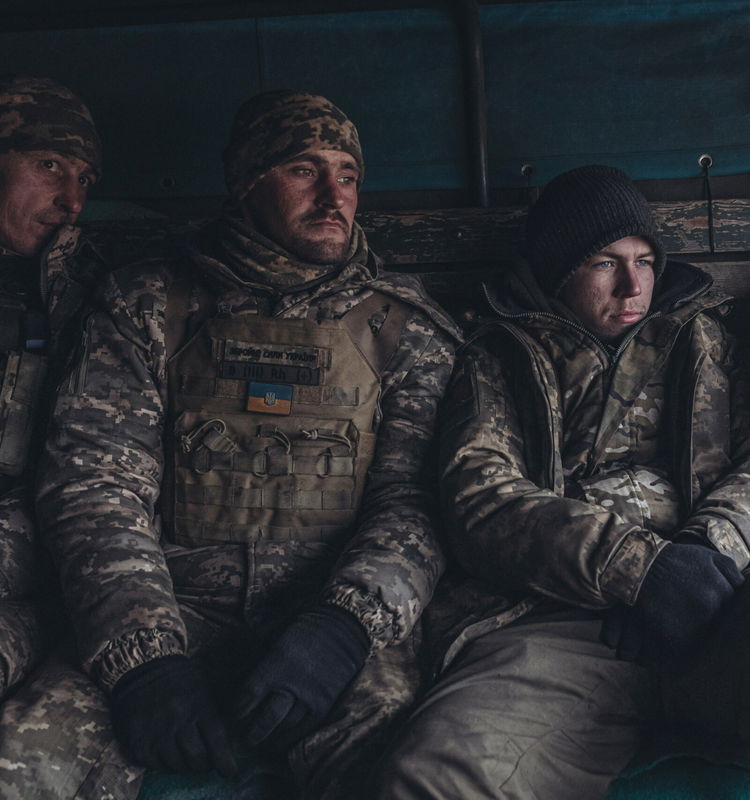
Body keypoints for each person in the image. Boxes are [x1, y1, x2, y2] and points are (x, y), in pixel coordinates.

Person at [374, 164, 750, 800]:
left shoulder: (708, 336)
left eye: (645, 260)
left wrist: (707, 550)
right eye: (603, 263)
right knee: (431, 779)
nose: (633, 284)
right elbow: (482, 502)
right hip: (559, 622)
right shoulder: (498, 354)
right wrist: (639, 570)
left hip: (722, 594)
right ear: (557, 272)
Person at [31, 89, 459, 800]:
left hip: (331, 622)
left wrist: (346, 625)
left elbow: (415, 501)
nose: (332, 195)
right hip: (172, 608)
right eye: (302, 169)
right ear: (246, 183)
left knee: (402, 777)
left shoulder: (404, 327)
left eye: (346, 173)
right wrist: (145, 659)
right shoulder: (145, 305)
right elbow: (94, 485)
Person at [0, 74, 102, 700]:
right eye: (48, 165)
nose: (72, 200)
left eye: (85, 179)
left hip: (33, 564)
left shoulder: (92, 296)